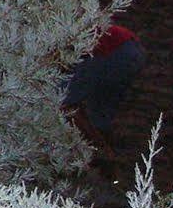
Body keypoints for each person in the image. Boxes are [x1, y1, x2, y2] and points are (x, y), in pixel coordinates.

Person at [62, 21, 144, 157]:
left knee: (63, 102)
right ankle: (108, 154)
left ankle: (101, 153)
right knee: (99, 113)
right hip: (131, 47)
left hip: (113, 51)